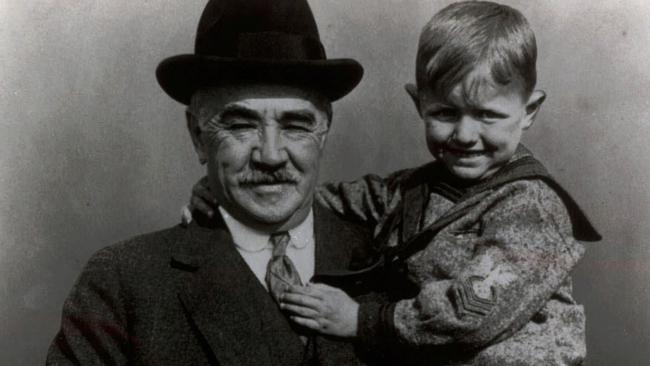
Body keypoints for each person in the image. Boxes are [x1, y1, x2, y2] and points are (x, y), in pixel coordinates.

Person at [186, 2, 601, 365]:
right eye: (445, 113)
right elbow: (319, 198)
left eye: (488, 115)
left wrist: (362, 320)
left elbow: (474, 313)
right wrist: (232, 194)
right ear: (418, 102)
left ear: (529, 110)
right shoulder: (411, 190)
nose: (465, 134)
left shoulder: (530, 208)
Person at [46, 0, 372, 365]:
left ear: (324, 132)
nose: (271, 155)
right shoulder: (122, 284)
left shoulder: (387, 259)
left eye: (295, 125)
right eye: (240, 125)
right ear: (198, 136)